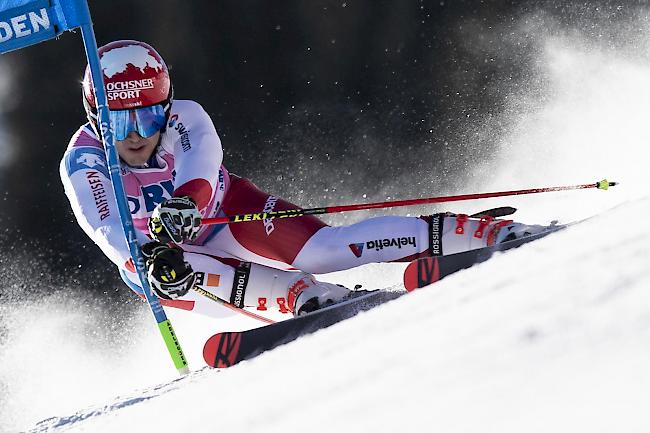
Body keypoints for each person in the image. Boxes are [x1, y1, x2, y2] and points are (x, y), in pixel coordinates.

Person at [60, 40, 543, 321]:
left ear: (165, 108)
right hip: (165, 263)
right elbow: (105, 226)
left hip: (229, 212)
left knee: (322, 250)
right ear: (95, 119)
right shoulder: (83, 161)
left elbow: (201, 166)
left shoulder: (185, 117)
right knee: (167, 276)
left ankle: (470, 233)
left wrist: (189, 201)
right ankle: (303, 297)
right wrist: (144, 256)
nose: (138, 135)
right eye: (122, 123)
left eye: (148, 118)